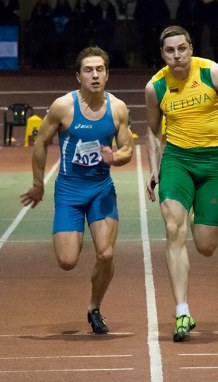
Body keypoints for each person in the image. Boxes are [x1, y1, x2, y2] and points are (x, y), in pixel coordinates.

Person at [144, 25, 218, 342]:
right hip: (177, 161)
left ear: (191, 48)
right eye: (170, 51)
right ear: (162, 54)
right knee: (172, 228)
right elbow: (152, 132)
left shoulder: (212, 73)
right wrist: (154, 169)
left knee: (205, 246)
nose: (177, 56)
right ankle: (182, 312)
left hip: (213, 162)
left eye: (182, 49)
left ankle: (196, 212)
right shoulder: (156, 87)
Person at [21, 46, 134, 333]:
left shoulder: (118, 108)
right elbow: (40, 142)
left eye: (100, 70)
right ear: (78, 76)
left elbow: (127, 150)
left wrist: (115, 158)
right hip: (69, 192)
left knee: (106, 255)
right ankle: (77, 234)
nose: (94, 75)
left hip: (101, 190)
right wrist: (37, 184)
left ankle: (94, 307)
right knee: (67, 261)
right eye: (88, 70)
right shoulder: (63, 107)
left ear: (107, 75)